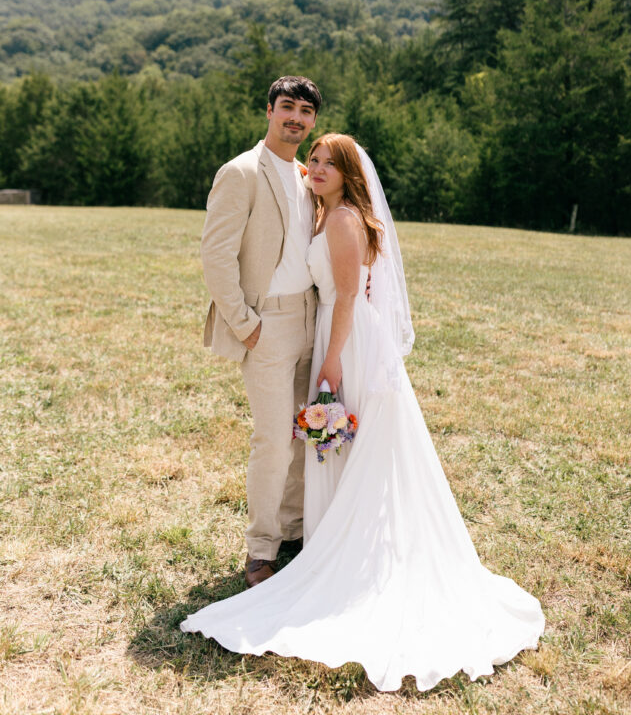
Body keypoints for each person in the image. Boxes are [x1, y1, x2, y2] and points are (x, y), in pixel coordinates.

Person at [182, 134, 545, 691]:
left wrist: (331, 363)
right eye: (315, 161)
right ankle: (324, 535)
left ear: (352, 174)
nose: (317, 168)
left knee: (355, 445)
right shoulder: (327, 210)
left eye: (330, 163)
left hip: (345, 341)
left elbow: (348, 296)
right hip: (329, 333)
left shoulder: (346, 220)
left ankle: (346, 546)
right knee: (340, 447)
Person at [200, 75, 321, 588]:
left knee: (304, 434)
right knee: (272, 440)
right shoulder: (242, 172)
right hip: (265, 324)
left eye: (306, 112)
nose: (296, 117)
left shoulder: (308, 174)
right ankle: (260, 550)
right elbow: (216, 253)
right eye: (287, 107)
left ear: (314, 121)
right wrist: (245, 324)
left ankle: (293, 530)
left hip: (311, 321)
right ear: (268, 110)